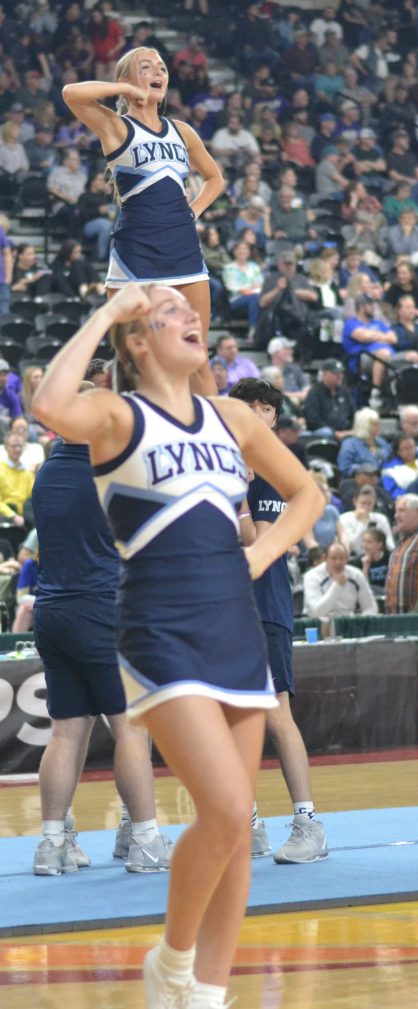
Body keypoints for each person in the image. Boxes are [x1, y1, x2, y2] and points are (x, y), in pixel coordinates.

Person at [31, 284, 321, 1009]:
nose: (192, 317)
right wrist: (103, 313)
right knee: (225, 811)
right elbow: (47, 404)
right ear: (137, 341)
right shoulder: (115, 415)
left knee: (235, 829)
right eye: (169, 314)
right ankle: (172, 957)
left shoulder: (232, 417)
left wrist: (261, 556)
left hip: (236, 628)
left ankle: (205, 996)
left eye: (193, 312)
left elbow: (307, 493)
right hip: (157, 629)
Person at [31, 399, 171, 876]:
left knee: (67, 731)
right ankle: (146, 841)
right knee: (132, 726)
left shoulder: (46, 471)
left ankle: (52, 844)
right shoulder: (109, 471)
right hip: (100, 609)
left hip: (52, 610)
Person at [62, 48, 224, 375]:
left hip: (182, 248)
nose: (157, 73)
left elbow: (215, 179)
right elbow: (71, 94)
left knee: (197, 359)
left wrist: (192, 212)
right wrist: (123, 90)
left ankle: (210, 427)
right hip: (136, 250)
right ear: (127, 80)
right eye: (146, 67)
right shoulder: (115, 127)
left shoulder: (182, 131)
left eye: (162, 68)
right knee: (133, 363)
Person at [228, 379, 328, 866]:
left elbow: (258, 543)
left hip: (263, 607)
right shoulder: (223, 463)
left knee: (275, 715)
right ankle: (248, 825)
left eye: (266, 408)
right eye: (249, 406)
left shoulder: (269, 472)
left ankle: (308, 823)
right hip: (220, 607)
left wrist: (236, 489)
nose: (257, 414)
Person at [303, 541, 378, 617]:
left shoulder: (356, 575)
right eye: (334, 558)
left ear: (347, 559)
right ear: (325, 558)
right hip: (318, 622)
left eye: (341, 558)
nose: (338, 562)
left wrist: (360, 622)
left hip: (348, 622)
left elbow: (370, 607)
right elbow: (317, 612)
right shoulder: (312, 576)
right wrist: (337, 585)